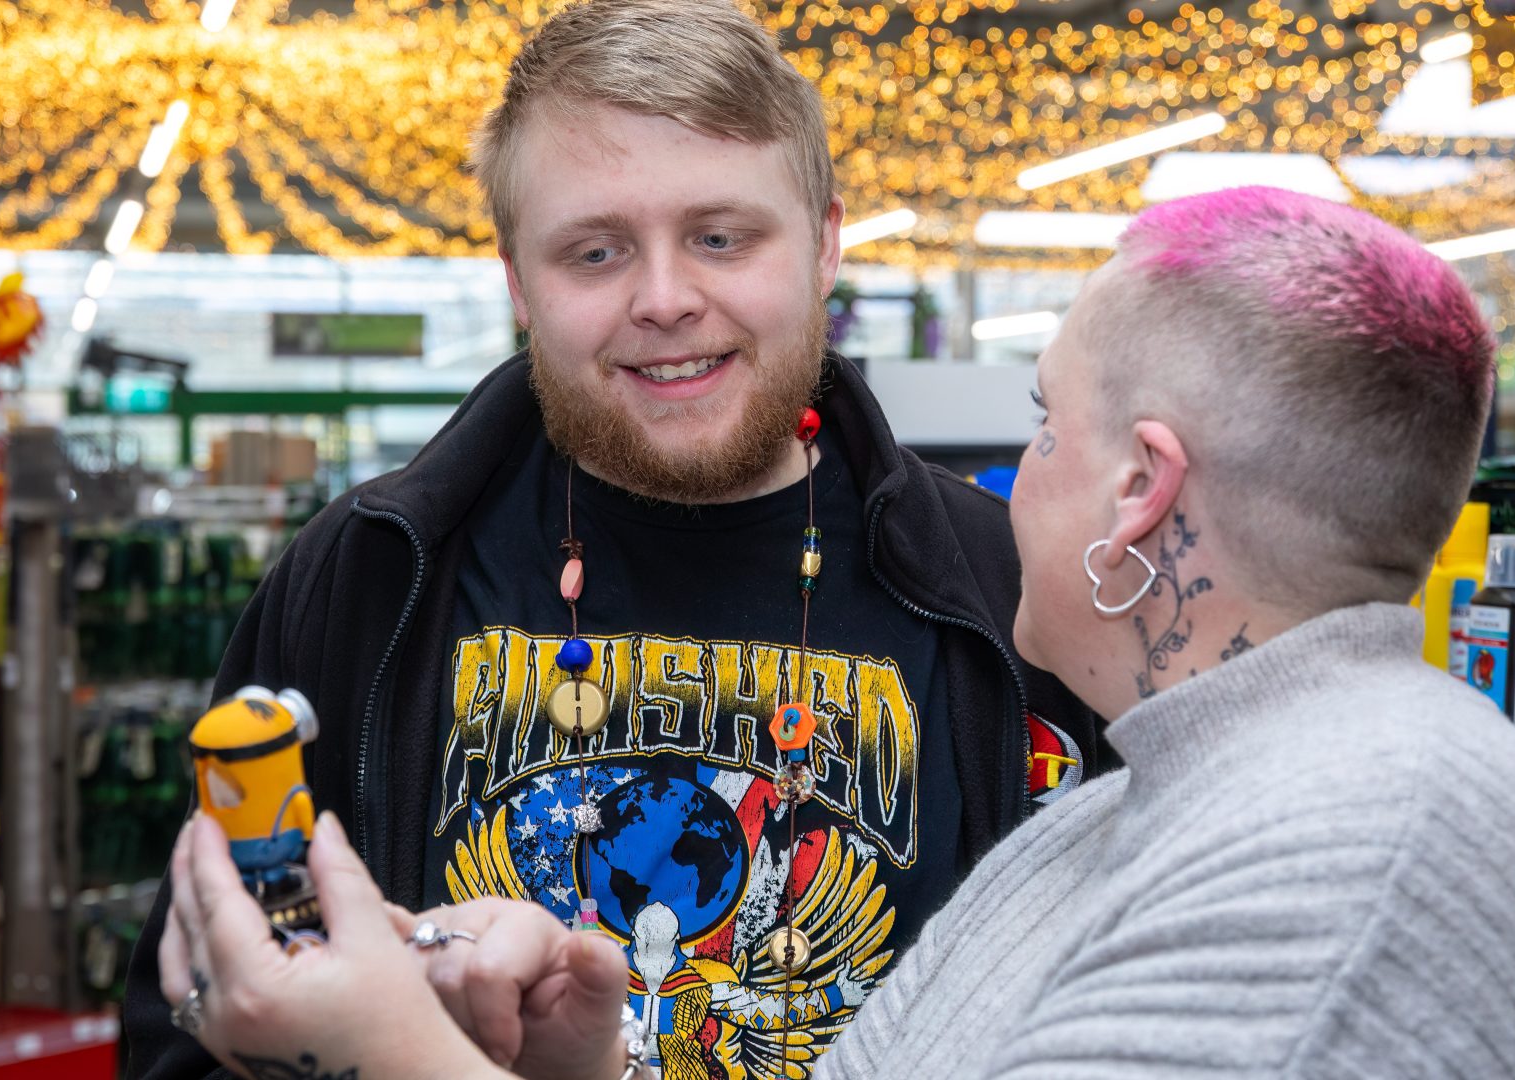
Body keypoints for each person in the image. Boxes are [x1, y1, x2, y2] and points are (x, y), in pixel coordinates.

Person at [153, 186, 1515, 1080]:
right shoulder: (1157, 803)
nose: (1006, 485)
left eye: (1038, 431)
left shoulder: (1350, 858)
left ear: (1143, 491)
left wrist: (385, 1051)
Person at [122, 1, 1100, 1077]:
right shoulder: (366, 573)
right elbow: (195, 1025)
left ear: (825, 245)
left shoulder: (1013, 590)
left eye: (721, 237)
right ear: (519, 284)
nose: (666, 300)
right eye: (595, 252)